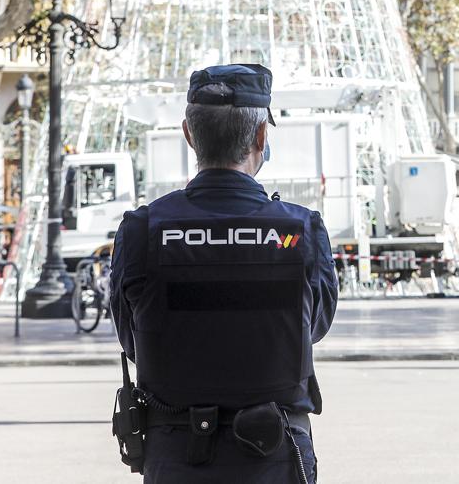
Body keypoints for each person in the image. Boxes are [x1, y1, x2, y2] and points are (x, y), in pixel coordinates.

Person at [110, 64, 338, 484]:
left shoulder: (142, 230)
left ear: (189, 135)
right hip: (275, 453)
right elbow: (314, 327)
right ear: (261, 138)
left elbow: (132, 337)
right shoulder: (301, 230)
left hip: (175, 456)